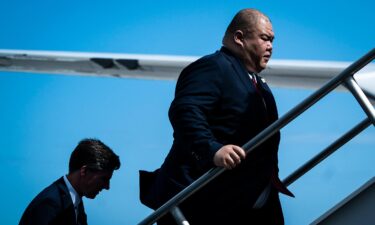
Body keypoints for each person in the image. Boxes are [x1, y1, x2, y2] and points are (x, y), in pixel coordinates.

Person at [139, 8, 294, 225]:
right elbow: (185, 111)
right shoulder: (213, 67)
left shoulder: (260, 85)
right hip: (207, 202)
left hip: (253, 200)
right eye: (264, 38)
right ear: (239, 38)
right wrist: (212, 150)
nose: (271, 47)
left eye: (272, 41)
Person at [19, 138, 121, 225]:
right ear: (84, 171)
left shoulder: (74, 201)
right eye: (104, 179)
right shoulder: (49, 204)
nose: (107, 187)